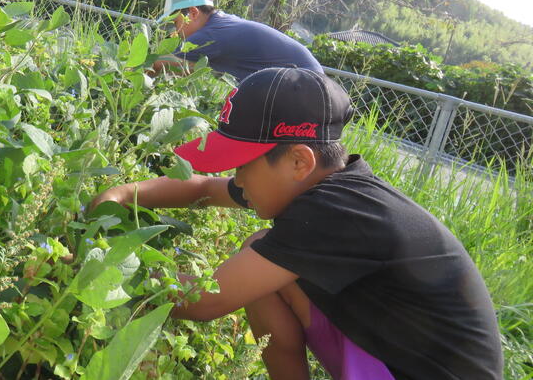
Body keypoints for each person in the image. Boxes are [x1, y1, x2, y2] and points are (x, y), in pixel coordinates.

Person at [91, 67, 502, 380]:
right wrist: (124, 194)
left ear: (299, 161)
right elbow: (205, 188)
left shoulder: (337, 212)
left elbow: (204, 301)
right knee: (263, 257)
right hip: (396, 358)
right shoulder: (323, 187)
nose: (237, 179)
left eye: (241, 165)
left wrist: (92, 269)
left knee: (259, 259)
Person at [152, 0, 322, 81]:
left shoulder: (210, 34)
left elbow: (158, 64)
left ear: (193, 12)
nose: (176, 31)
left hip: (304, 83)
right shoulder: (223, 23)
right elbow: (187, 68)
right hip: (309, 80)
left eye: (175, 22)